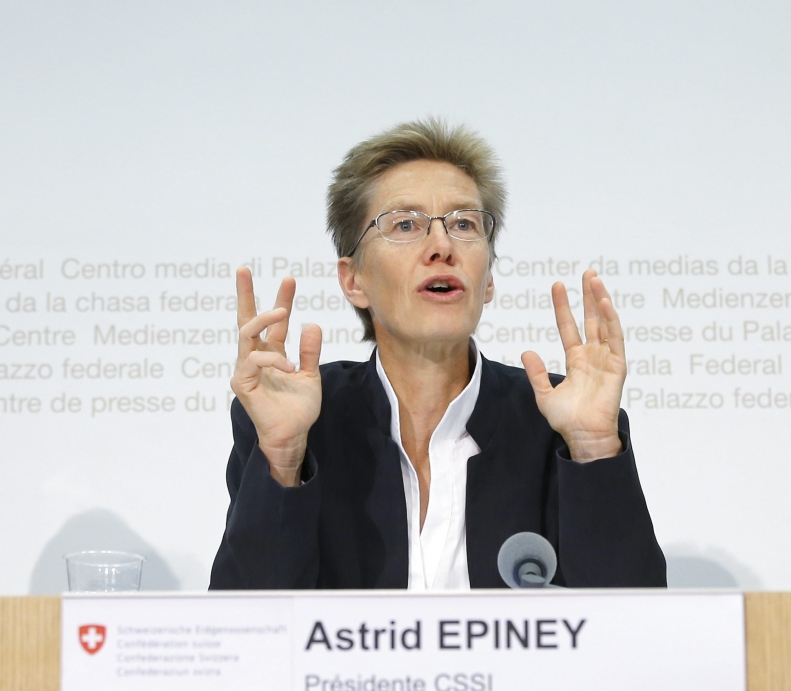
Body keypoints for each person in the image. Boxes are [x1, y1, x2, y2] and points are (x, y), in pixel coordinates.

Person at [209, 119, 665, 589]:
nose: (442, 246)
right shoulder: (302, 421)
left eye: (464, 224)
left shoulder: (558, 421)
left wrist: (593, 447)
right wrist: (283, 456)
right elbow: (244, 638)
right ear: (353, 280)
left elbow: (636, 634)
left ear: (487, 279)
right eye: (405, 224)